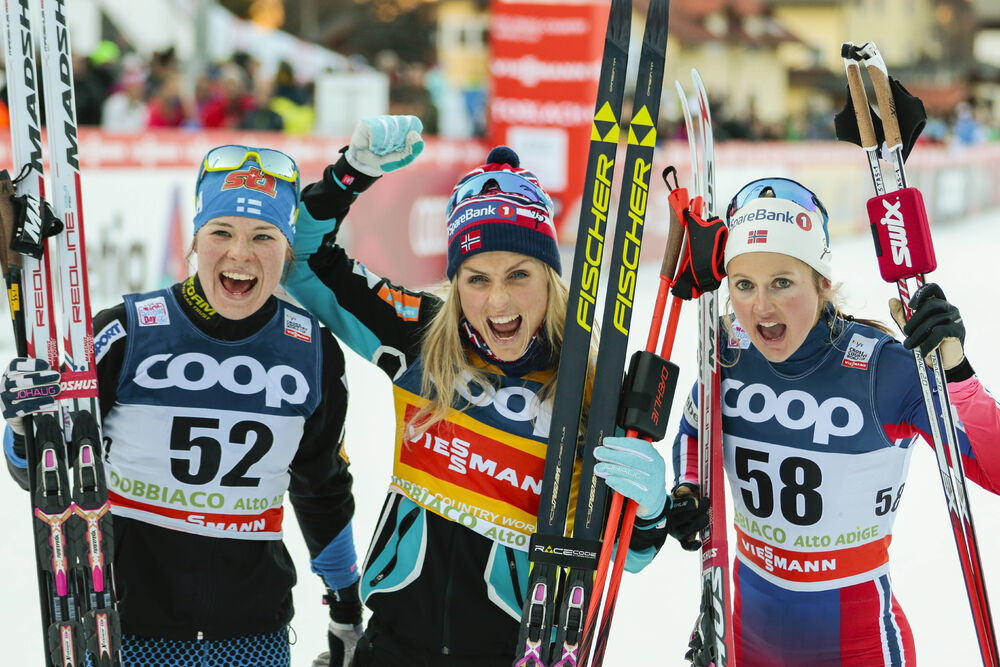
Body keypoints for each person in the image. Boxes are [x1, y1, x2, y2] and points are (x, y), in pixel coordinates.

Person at [282, 116, 684, 665]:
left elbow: (628, 557)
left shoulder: (590, 388)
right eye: (477, 279)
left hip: (517, 651)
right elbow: (304, 263)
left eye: (519, 274)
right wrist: (348, 176)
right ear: (454, 283)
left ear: (551, 278)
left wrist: (652, 511)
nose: (499, 303)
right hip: (394, 647)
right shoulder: (417, 337)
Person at [2, 146, 362, 667]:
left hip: (253, 637)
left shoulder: (312, 351)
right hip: (124, 629)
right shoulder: (126, 333)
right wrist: (20, 429)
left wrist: (345, 604)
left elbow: (322, 485)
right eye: (221, 233)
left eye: (263, 236)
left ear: (287, 251)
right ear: (194, 240)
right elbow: (45, 480)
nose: (240, 253)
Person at [657, 177, 1000, 665]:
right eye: (744, 285)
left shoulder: (882, 368)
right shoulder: (729, 353)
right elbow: (696, 434)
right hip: (743, 641)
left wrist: (957, 375)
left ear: (822, 282)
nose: (761, 306)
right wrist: (689, 489)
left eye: (782, 282)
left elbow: (994, 468)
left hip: (858, 648)